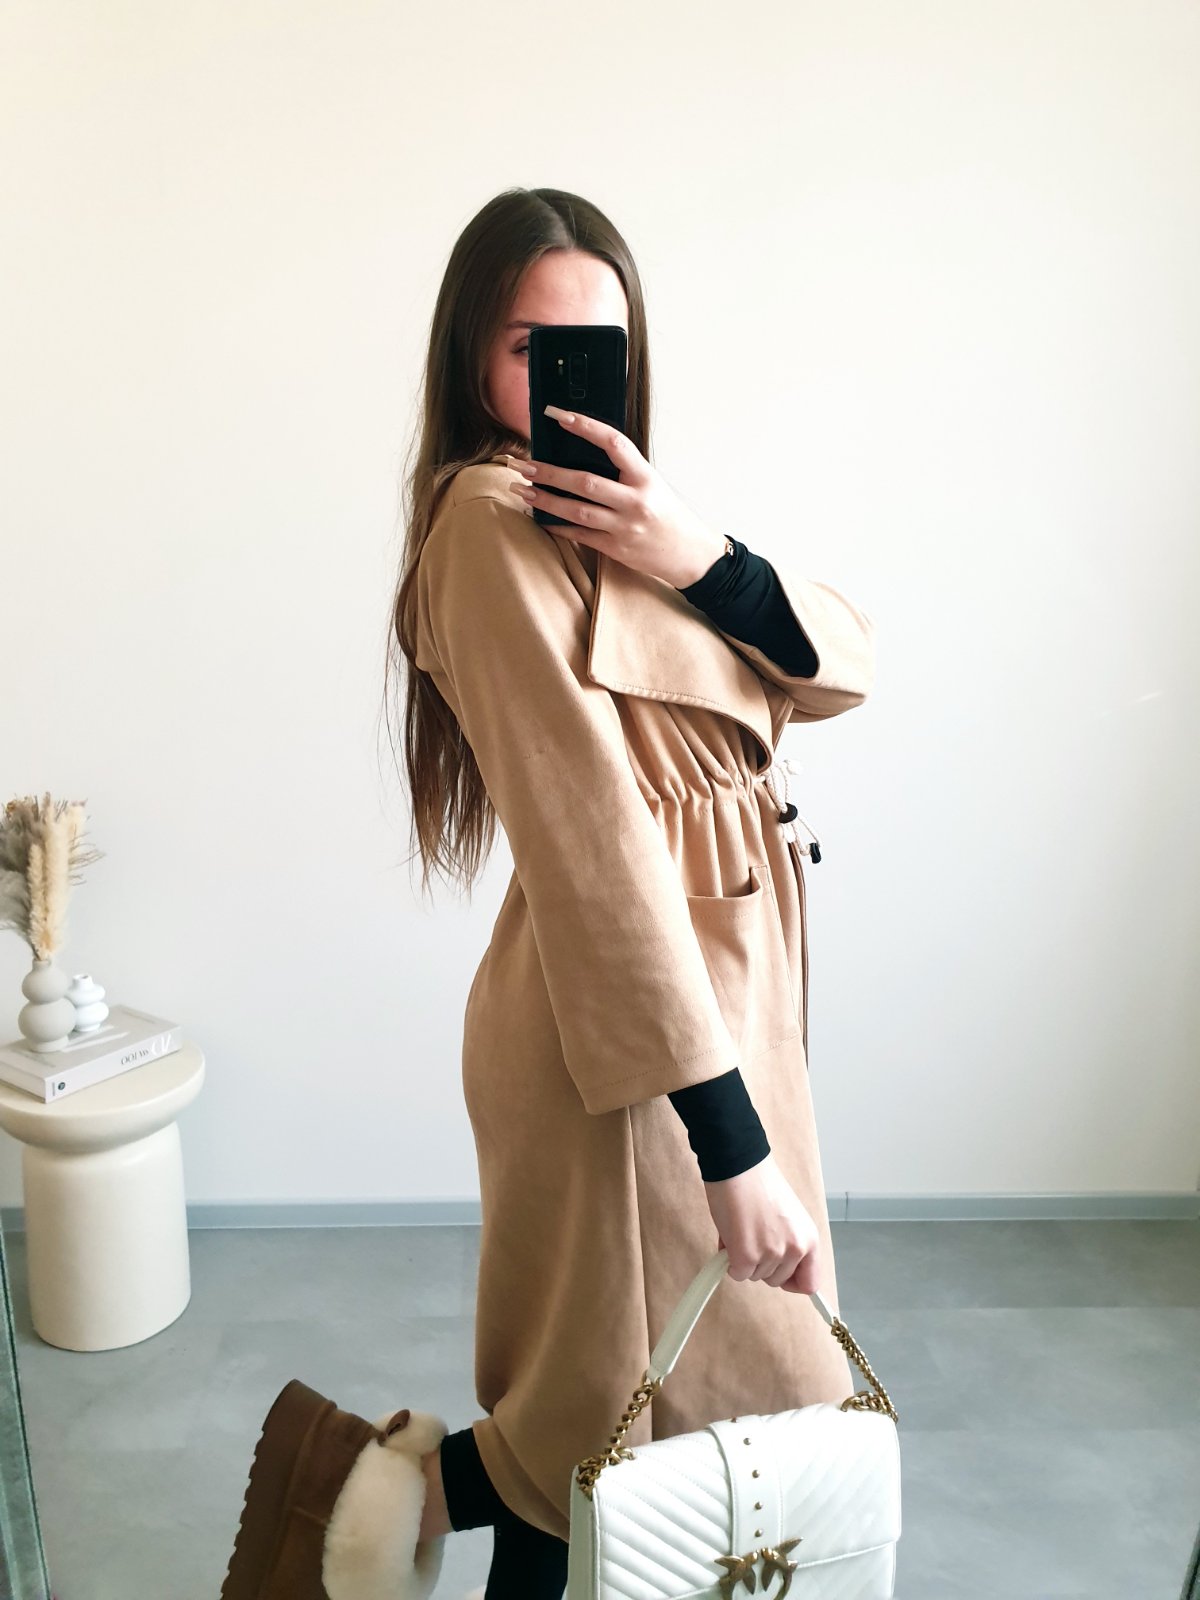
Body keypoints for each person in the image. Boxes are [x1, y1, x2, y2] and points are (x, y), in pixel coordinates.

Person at [218, 186, 875, 1600]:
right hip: (629, 1034)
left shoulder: (630, 520)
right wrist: (732, 1145)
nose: (572, 379)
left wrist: (698, 554)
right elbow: (595, 847)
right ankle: (364, 1501)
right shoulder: (483, 522)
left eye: (602, 347)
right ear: (473, 359)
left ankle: (353, 1497)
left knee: (618, 1412)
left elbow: (841, 671)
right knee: (637, 1418)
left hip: (715, 1001)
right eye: (533, 346)